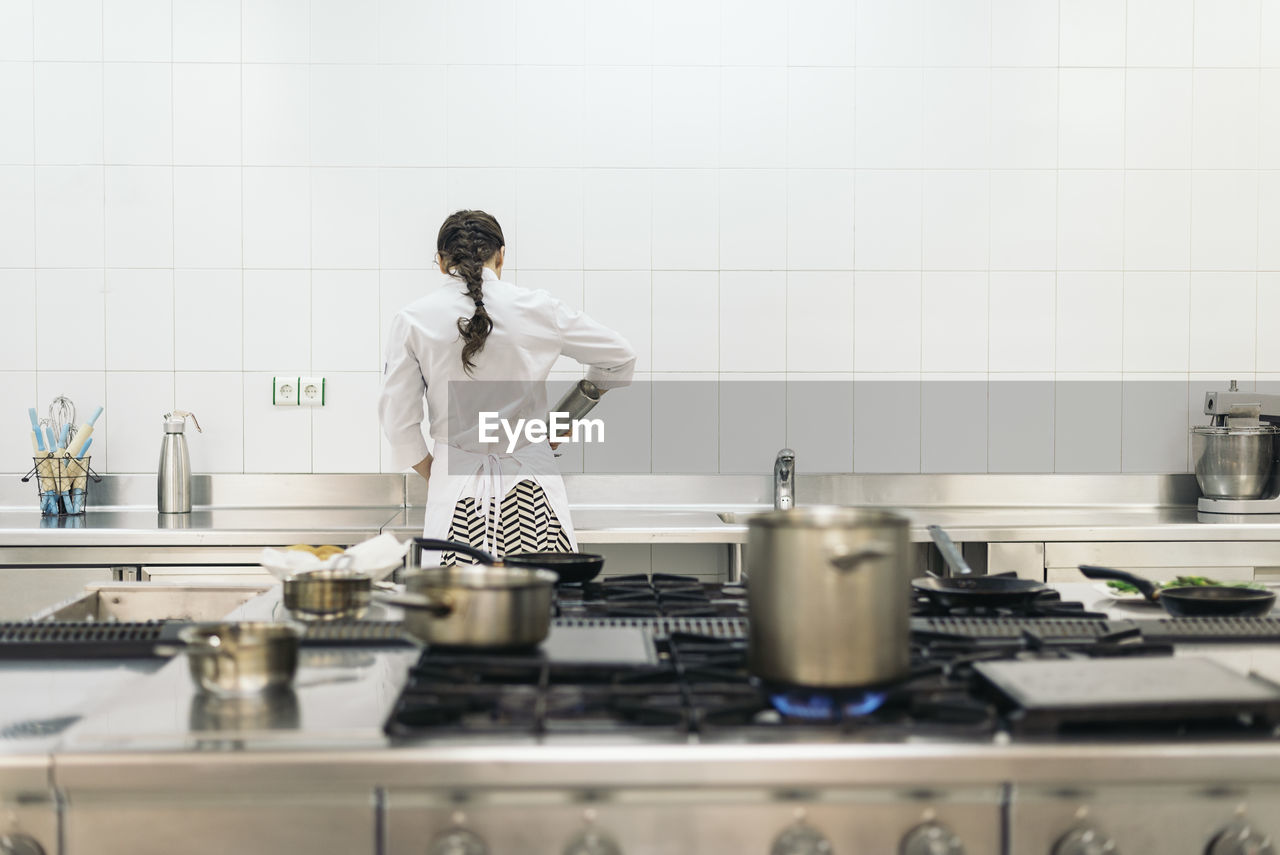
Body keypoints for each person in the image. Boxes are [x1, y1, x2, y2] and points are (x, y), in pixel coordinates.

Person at [378, 210, 635, 564]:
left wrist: (437, 472)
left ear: (440, 262)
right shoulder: (539, 308)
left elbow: (399, 424)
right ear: (501, 255)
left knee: (458, 611)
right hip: (533, 489)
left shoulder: (413, 319)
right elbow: (620, 357)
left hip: (456, 495)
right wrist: (562, 422)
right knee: (541, 609)